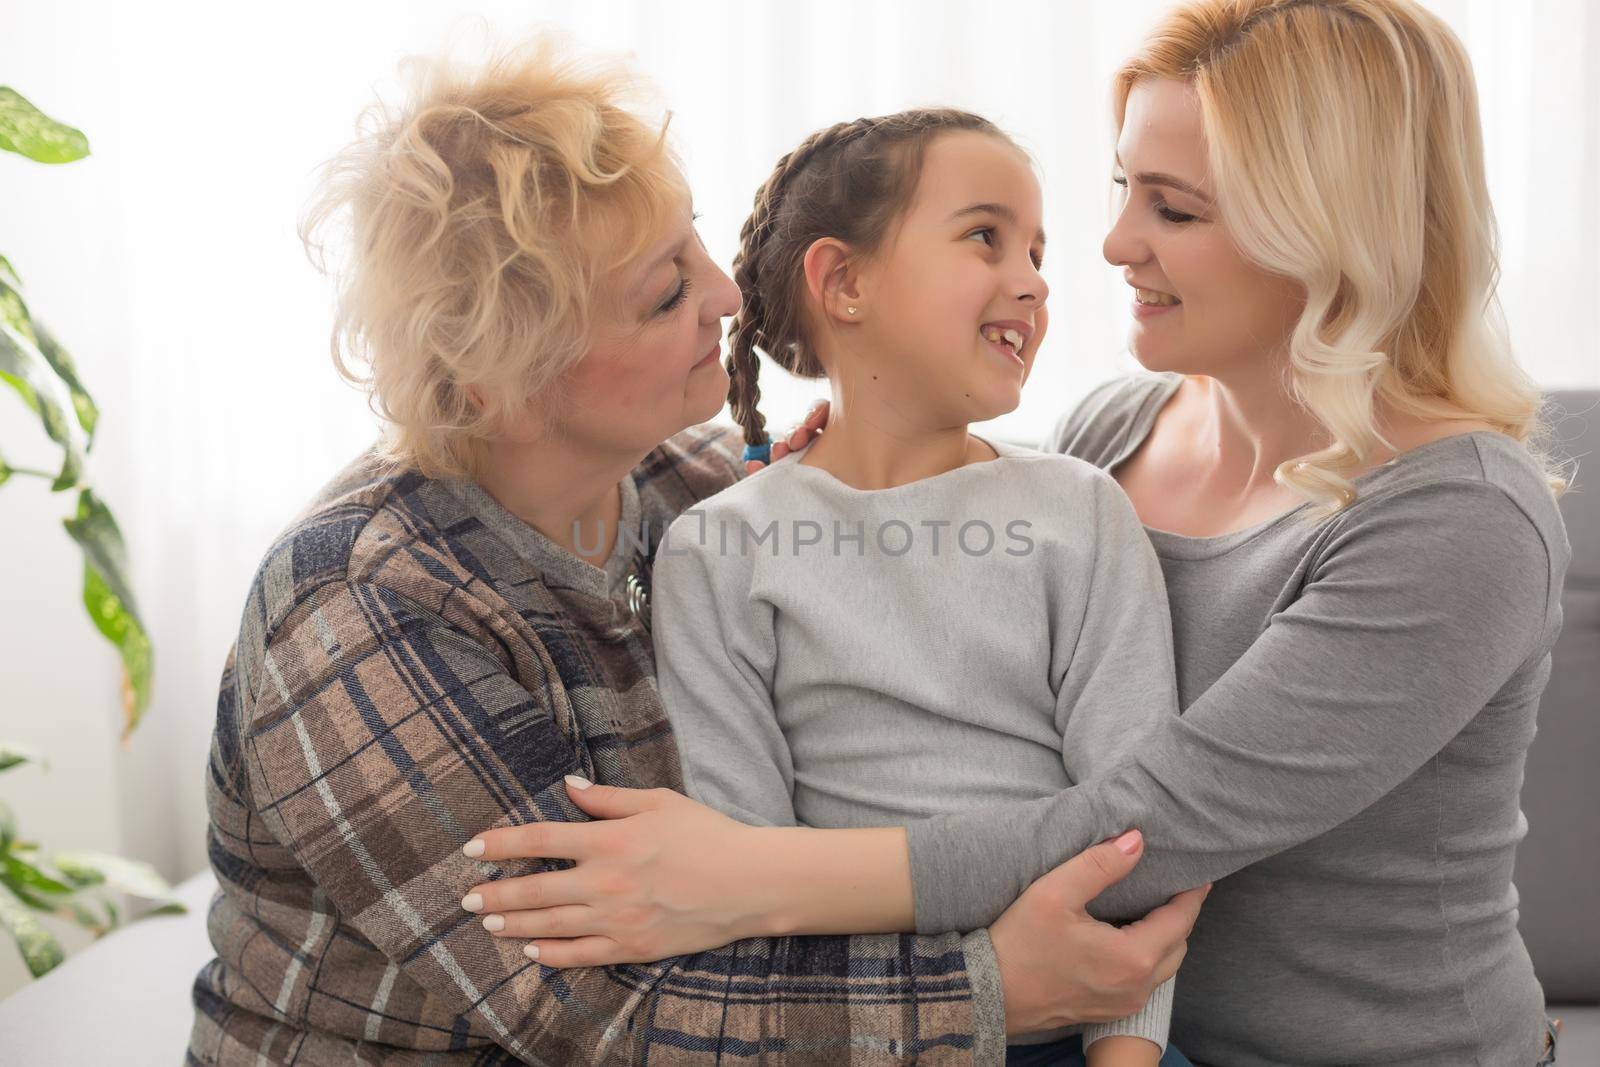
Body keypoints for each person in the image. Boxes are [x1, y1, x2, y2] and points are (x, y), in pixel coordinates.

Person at [462, 2, 1571, 1063]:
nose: (1111, 243)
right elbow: (948, 567)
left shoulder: (1458, 517)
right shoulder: (1112, 431)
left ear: (1329, 228)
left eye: (1174, 210)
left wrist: (744, 873)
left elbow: (1146, 820)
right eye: (1125, 187)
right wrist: (822, 471)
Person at [186, 35, 1201, 1066]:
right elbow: (602, 1016)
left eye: (697, 246)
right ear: (517, 374)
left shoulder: (693, 485)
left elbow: (869, 508)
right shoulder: (361, 608)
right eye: (666, 293)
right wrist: (996, 988)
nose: (726, 297)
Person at [648, 107, 1193, 1067]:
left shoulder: (1081, 509)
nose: (1032, 279)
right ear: (844, 282)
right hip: (862, 1036)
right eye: (986, 236)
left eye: (1037, 249)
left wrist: (1124, 1059)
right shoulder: (718, 548)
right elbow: (739, 876)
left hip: (1087, 1039)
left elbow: (1136, 826)